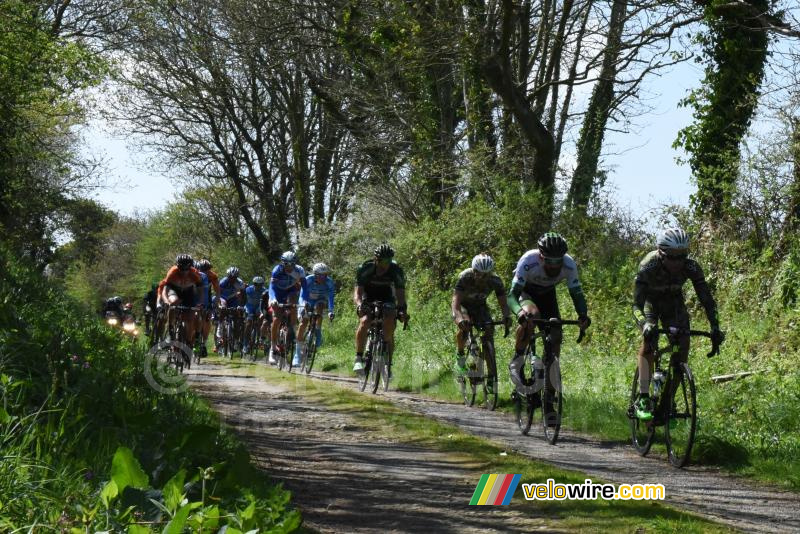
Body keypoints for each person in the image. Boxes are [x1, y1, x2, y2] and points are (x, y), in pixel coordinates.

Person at [631, 228, 724, 421]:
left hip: (674, 304)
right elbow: (636, 305)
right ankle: (644, 396)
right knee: (649, 341)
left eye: (682, 257)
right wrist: (645, 324)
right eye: (672, 257)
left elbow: (707, 299)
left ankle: (667, 403)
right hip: (651, 303)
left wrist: (715, 326)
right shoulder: (648, 266)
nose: (677, 262)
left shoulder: (691, 267)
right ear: (661, 253)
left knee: (682, 351)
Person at [507, 232, 591, 415]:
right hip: (526, 293)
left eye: (558, 261)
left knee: (556, 336)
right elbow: (512, 295)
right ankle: (518, 357)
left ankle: (549, 398)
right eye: (549, 261)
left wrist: (582, 315)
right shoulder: (528, 261)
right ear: (540, 256)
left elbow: (576, 294)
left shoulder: (569, 264)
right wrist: (519, 312)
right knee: (532, 315)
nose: (554, 266)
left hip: (547, 295)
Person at [451, 254, 512, 390]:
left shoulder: (496, 281)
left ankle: (491, 378)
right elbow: (455, 304)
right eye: (479, 274)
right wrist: (459, 319)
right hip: (464, 306)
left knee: (489, 334)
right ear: (474, 271)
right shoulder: (465, 277)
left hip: (480, 307)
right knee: (465, 326)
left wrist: (506, 317)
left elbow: (504, 305)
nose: (482, 278)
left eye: (486, 275)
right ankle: (460, 355)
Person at [353, 244, 408, 374]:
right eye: (384, 260)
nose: (387, 263)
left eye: (389, 260)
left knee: (390, 321)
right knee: (365, 321)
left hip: (386, 296)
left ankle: (387, 360)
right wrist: (359, 304)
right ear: (376, 259)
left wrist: (402, 310)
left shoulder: (395, 270)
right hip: (368, 295)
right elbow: (358, 292)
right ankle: (358, 358)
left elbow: (400, 294)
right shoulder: (366, 268)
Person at [267, 251, 306, 364]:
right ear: (282, 263)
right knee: (276, 319)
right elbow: (272, 287)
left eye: (291, 264)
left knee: (293, 304)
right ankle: (273, 348)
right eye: (286, 264)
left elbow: (305, 287)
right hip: (277, 293)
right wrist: (273, 299)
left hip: (291, 291)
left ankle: (293, 329)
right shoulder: (277, 270)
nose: (289, 267)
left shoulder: (299, 270)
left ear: (295, 263)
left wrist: (304, 300)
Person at [294, 262, 336, 366]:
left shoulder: (329, 282)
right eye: (321, 275)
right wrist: (303, 305)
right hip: (307, 300)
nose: (323, 277)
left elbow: (331, 298)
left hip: (320, 300)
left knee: (320, 308)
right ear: (315, 274)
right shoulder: (308, 280)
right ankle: (297, 355)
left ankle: (317, 330)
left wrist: (331, 311)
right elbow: (302, 295)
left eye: (325, 275)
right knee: (303, 322)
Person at [159, 254, 203, 352]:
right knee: (173, 303)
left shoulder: (195, 274)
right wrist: (166, 301)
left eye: (186, 269)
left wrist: (199, 303)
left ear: (190, 267)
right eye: (181, 269)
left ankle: (188, 341)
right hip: (174, 290)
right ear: (177, 266)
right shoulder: (172, 272)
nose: (183, 272)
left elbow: (200, 290)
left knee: (190, 317)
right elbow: (165, 290)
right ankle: (170, 331)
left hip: (188, 292)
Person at [217, 266, 245, 352]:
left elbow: (242, 295)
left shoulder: (239, 282)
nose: (232, 279)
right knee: (223, 308)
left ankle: (236, 340)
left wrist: (241, 305)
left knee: (237, 318)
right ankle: (220, 326)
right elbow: (218, 293)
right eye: (230, 277)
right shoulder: (223, 282)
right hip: (224, 298)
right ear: (228, 276)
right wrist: (219, 304)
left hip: (234, 299)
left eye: (234, 277)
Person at [195, 259, 220, 356]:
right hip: (194, 296)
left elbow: (217, 291)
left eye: (207, 269)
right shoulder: (194, 273)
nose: (205, 271)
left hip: (206, 298)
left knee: (207, 319)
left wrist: (216, 301)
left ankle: (203, 344)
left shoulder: (212, 276)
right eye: (203, 269)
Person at [242, 276, 267, 355]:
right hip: (249, 307)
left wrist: (262, 311)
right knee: (248, 323)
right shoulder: (248, 290)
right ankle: (245, 345)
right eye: (256, 284)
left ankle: (259, 337)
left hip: (259, 307)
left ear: (262, 284)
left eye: (260, 285)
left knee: (261, 320)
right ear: (253, 284)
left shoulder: (265, 291)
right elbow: (243, 299)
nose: (258, 286)